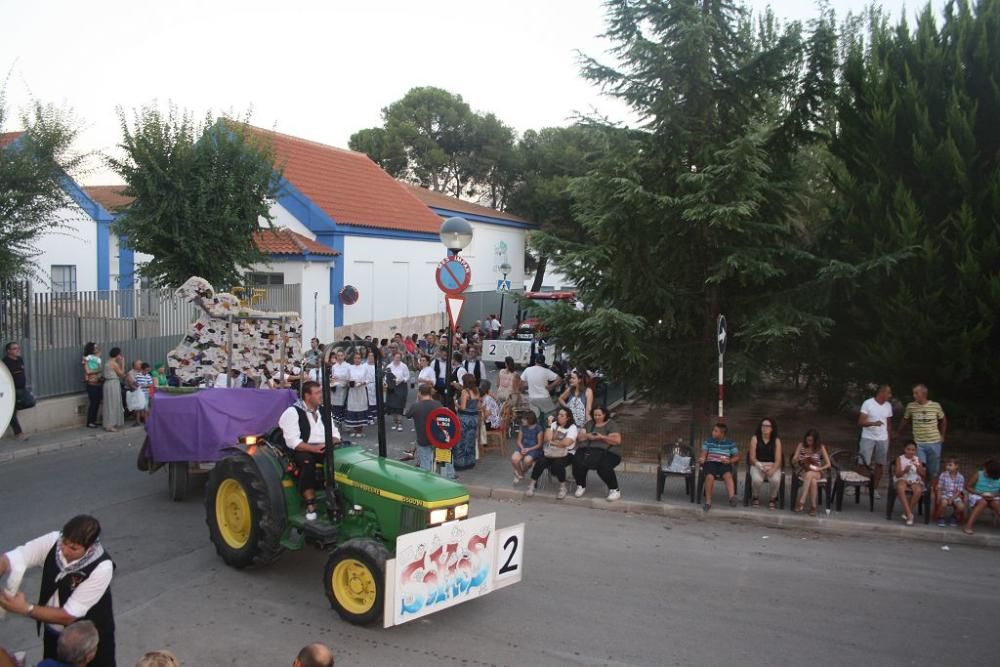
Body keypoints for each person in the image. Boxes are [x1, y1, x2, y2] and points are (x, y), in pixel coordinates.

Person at [0, 515, 116, 667]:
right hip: (54, 633)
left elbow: (68, 616)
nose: (65, 550)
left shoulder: (102, 567)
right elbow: (14, 557)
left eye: (73, 548)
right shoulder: (54, 541)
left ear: (90, 547)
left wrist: (25, 608)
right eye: (64, 542)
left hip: (85, 641)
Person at [278, 381, 340, 521]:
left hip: (324, 445)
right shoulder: (292, 412)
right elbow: (293, 441)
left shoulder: (323, 410)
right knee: (306, 462)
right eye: (317, 393)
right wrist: (314, 448)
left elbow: (335, 432)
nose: (321, 396)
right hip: (302, 448)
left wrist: (334, 440)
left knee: (341, 460)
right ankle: (310, 503)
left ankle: (335, 495)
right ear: (307, 396)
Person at [896, 384, 947, 480]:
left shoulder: (935, 406)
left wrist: (942, 435)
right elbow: (905, 419)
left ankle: (931, 490)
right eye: (913, 393)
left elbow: (943, 419)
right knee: (920, 468)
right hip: (919, 443)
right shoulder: (911, 406)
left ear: (923, 394)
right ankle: (921, 489)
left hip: (934, 442)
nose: (914, 395)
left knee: (933, 470)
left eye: (916, 393)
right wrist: (898, 432)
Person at [526, 407, 578, 499]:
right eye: (558, 414)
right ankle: (532, 485)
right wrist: (549, 425)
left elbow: (566, 443)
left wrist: (553, 442)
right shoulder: (554, 424)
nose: (559, 417)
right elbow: (546, 439)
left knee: (558, 464)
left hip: (567, 453)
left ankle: (563, 488)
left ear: (568, 418)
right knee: (541, 461)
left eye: (562, 415)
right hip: (551, 451)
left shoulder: (572, 428)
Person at [572, 405, 622, 501]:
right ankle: (580, 485)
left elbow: (617, 440)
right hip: (587, 450)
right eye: (595, 415)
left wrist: (602, 437)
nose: (597, 417)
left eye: (599, 415)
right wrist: (587, 436)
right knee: (577, 462)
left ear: (605, 414)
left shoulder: (612, 424)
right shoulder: (589, 424)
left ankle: (614, 490)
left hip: (608, 452)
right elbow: (580, 437)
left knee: (604, 467)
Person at [404, 385, 455, 479]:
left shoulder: (416, 406)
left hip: (423, 438)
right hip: (437, 437)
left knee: (425, 461)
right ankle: (450, 476)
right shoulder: (437, 404)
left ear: (419, 393)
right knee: (444, 457)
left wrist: (416, 402)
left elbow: (407, 415)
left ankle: (427, 480)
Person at [858, 384, 893, 498]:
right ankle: (856, 486)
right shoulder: (868, 403)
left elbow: (889, 422)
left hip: (883, 438)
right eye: (889, 393)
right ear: (882, 393)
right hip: (868, 437)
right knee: (863, 463)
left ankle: (874, 488)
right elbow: (861, 422)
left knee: (880, 464)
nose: (890, 395)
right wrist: (874, 423)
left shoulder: (888, 406)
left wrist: (889, 437)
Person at [699, 422, 740, 512]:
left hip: (724, 463)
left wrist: (729, 461)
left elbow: (737, 456)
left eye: (715, 431)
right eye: (713, 430)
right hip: (711, 463)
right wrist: (702, 458)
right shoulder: (708, 441)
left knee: (728, 475)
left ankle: (732, 498)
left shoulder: (730, 443)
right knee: (709, 477)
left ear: (722, 434)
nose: (713, 432)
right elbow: (703, 453)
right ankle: (708, 502)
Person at [792, 429, 831, 516]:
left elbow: (828, 464)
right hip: (804, 470)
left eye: (811, 440)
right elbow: (794, 460)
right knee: (812, 481)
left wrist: (819, 468)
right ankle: (813, 506)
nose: (809, 442)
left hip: (816, 471)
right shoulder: (801, 445)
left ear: (816, 441)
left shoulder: (820, 447)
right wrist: (797, 458)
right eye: (808, 440)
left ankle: (802, 500)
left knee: (810, 474)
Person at [748, 417, 783, 510]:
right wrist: (760, 466)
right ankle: (755, 497)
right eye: (763, 425)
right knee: (757, 480)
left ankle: (772, 499)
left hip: (772, 465)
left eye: (767, 426)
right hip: (757, 464)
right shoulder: (755, 438)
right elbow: (752, 457)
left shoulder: (776, 441)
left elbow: (778, 460)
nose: (765, 428)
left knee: (775, 480)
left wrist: (773, 469)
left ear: (772, 428)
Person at [962, 459, 1000, 535]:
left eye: (986, 470)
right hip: (978, 495)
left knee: (996, 503)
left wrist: (994, 495)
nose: (984, 471)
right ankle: (968, 526)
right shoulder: (979, 474)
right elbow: (968, 487)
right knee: (983, 502)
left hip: (994, 497)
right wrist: (980, 493)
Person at [893, 439, 927, 526]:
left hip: (914, 478)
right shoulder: (900, 458)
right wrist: (905, 470)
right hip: (903, 477)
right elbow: (897, 474)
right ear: (905, 449)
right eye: (908, 449)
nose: (911, 452)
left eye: (913, 450)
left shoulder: (917, 459)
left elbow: (923, 474)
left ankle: (907, 513)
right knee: (900, 488)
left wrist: (919, 468)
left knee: (918, 490)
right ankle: (909, 514)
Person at [3, 342, 31, 440]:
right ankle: (19, 433)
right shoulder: (5, 362)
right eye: (14, 348)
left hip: (22, 389)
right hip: (11, 390)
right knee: (11, 413)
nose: (17, 350)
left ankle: (15, 408)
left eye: (18, 348)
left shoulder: (20, 359)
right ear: (8, 351)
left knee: (31, 402)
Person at [453, 375, 481, 471]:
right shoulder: (477, 390)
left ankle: (460, 463)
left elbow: (463, 407)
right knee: (470, 440)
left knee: (461, 441)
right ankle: (470, 462)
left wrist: (456, 403)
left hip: (464, 419)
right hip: (474, 418)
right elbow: (478, 406)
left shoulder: (465, 392)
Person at [520, 354, 561, 419]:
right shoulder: (546, 371)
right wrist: (551, 386)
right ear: (543, 362)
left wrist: (526, 387)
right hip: (544, 398)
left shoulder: (527, 370)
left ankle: (538, 428)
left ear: (535, 361)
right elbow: (559, 379)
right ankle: (547, 427)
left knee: (535, 418)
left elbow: (521, 382)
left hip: (532, 398)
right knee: (551, 416)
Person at [511, 411, 543, 484]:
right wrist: (522, 448)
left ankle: (520, 473)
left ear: (530, 419)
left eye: (524, 419)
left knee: (527, 460)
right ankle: (521, 474)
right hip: (523, 446)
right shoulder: (523, 427)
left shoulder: (538, 428)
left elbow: (539, 444)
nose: (522, 420)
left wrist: (529, 449)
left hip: (534, 448)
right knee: (514, 459)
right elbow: (518, 441)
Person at [344, 352, 369, 439]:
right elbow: (347, 379)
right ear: (353, 359)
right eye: (355, 358)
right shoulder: (350, 368)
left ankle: (360, 430)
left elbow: (367, 379)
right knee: (353, 409)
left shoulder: (364, 368)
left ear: (361, 359)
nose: (357, 360)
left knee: (360, 409)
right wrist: (350, 383)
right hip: (353, 392)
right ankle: (355, 428)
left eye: (358, 358)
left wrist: (362, 383)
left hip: (361, 391)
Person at [936, 456, 966, 527]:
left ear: (956, 466)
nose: (947, 467)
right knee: (944, 503)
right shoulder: (943, 475)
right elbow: (939, 487)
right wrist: (938, 496)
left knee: (961, 507)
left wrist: (952, 498)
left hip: (955, 496)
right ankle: (941, 516)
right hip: (945, 494)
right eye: (947, 465)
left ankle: (954, 516)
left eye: (950, 465)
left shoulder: (960, 477)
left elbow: (959, 490)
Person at [101, 348, 126, 433]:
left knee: (109, 404)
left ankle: (109, 423)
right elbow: (122, 374)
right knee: (113, 403)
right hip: (113, 384)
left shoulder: (108, 362)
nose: (120, 356)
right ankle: (110, 425)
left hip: (108, 384)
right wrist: (123, 364)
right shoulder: (113, 363)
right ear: (117, 354)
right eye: (120, 354)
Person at [385, 353, 410, 431]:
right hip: (391, 387)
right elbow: (385, 377)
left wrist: (402, 380)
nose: (397, 359)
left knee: (399, 405)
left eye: (399, 357)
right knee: (392, 406)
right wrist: (386, 383)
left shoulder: (404, 366)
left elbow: (407, 376)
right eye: (396, 357)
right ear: (393, 357)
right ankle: (395, 422)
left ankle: (399, 424)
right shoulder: (389, 366)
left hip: (401, 386)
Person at [82, 343, 103, 429]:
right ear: (91, 349)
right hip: (91, 384)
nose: (97, 349)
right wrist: (98, 370)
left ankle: (94, 420)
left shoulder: (96, 358)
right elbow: (88, 371)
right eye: (95, 348)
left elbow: (99, 368)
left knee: (97, 403)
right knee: (93, 403)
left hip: (98, 383)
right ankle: (90, 422)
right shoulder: (85, 359)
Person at [329, 349, 350, 425]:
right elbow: (333, 377)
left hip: (344, 388)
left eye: (341, 355)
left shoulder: (348, 366)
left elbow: (349, 378)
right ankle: (336, 423)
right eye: (338, 355)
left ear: (344, 356)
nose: (340, 357)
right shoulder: (334, 366)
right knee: (335, 406)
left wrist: (346, 383)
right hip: (335, 388)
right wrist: (332, 381)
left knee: (343, 405)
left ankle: (343, 423)